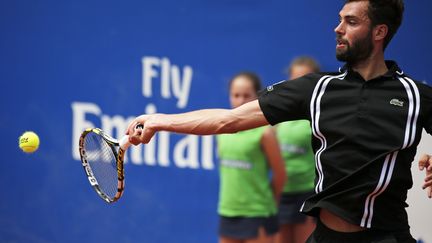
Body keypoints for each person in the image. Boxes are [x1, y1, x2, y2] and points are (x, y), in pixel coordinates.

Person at [126, 1, 432, 242]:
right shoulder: (317, 89)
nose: (338, 28)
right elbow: (228, 121)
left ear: (379, 32)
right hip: (325, 236)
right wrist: (159, 120)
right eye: (339, 19)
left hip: (386, 236)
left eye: (351, 22)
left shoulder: (416, 96)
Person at [216, 72, 286, 243]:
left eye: (246, 96)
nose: (240, 101)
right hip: (228, 211)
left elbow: (280, 175)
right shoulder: (220, 132)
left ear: (256, 97)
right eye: (236, 95)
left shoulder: (265, 132)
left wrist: (267, 202)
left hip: (258, 213)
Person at [275, 57, 320, 243]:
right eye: (295, 79)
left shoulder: (319, 115)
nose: (299, 85)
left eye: (305, 79)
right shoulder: (277, 113)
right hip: (281, 193)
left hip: (307, 193)